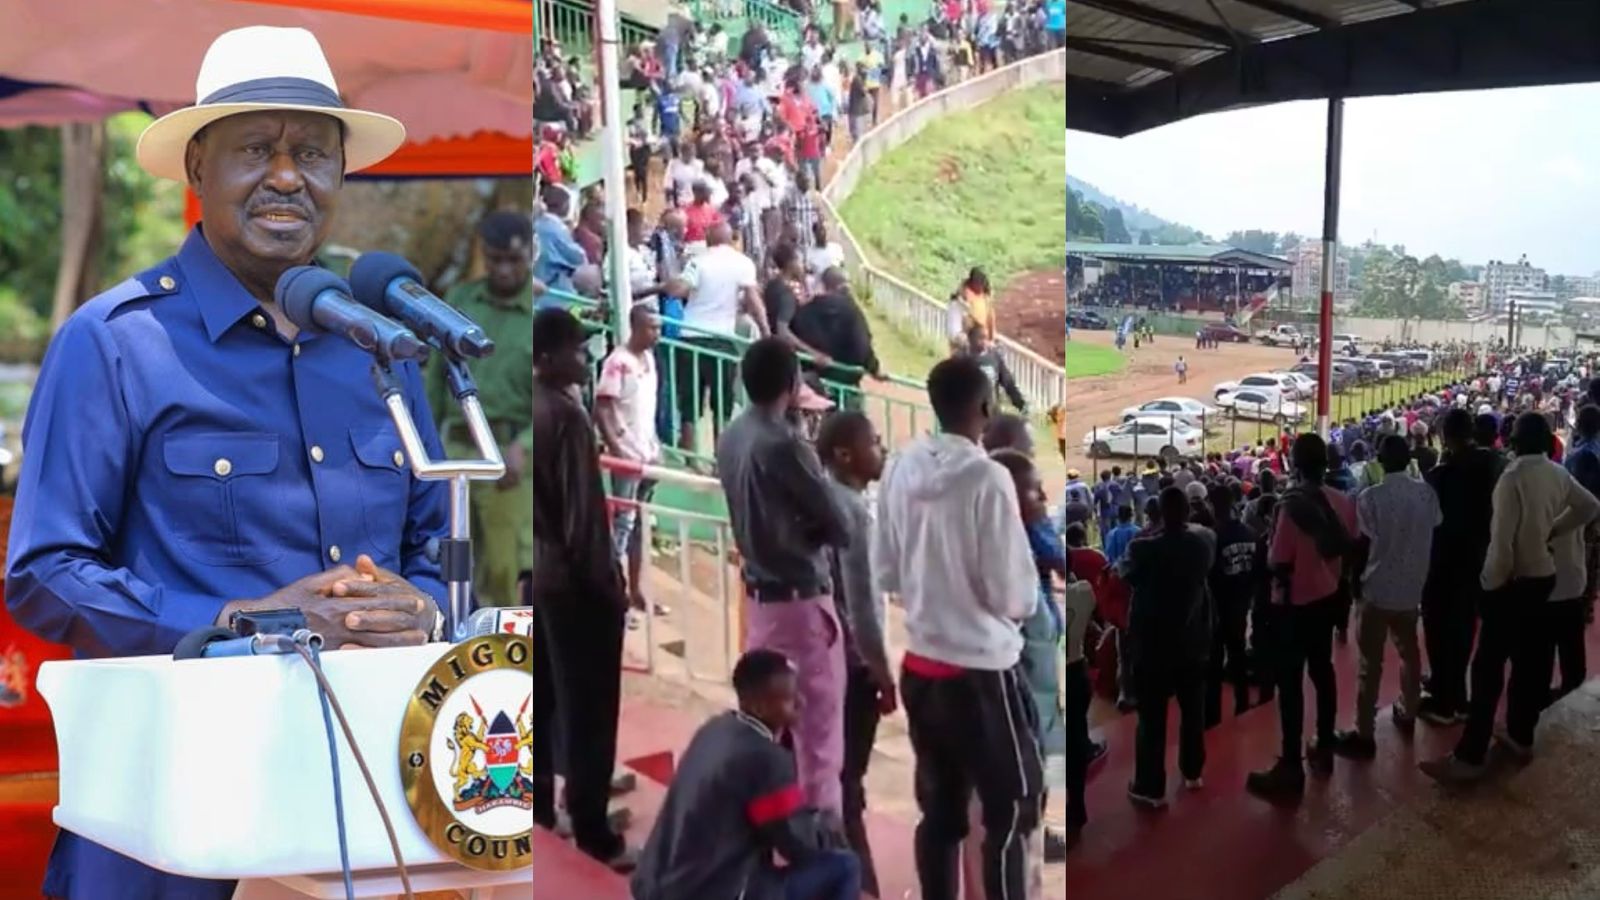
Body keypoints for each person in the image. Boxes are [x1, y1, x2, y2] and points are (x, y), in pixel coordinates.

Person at [3, 26, 445, 898]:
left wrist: (418, 607)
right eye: (257, 149)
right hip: (169, 832)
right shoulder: (116, 344)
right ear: (198, 169)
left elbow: (429, 553)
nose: (288, 176)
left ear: (341, 176)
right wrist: (245, 624)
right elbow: (43, 573)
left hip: (358, 824)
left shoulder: (384, 352)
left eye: (314, 153)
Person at [875, 356, 1042, 900]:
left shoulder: (900, 466)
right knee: (1013, 811)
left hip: (922, 666)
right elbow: (1014, 595)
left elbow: (885, 569)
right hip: (982, 674)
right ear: (986, 411)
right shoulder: (988, 477)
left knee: (941, 814)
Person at [1422, 412, 1599, 783]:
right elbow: (1589, 507)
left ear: (1514, 441)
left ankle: (1470, 757)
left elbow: (1501, 546)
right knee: (1530, 662)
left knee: (1487, 670)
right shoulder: (1557, 472)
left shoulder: (1512, 478)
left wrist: (1488, 586)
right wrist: (1552, 529)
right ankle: (1520, 735)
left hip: (1512, 582)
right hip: (1544, 579)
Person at [717, 338, 852, 815]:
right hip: (800, 603)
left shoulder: (731, 435)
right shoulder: (785, 444)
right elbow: (841, 526)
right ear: (793, 385)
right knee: (817, 739)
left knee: (769, 732)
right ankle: (818, 853)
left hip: (761, 602)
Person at [529, 308, 636, 869]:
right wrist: (611, 593)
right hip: (575, 586)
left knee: (543, 699)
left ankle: (543, 808)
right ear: (546, 357)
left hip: (535, 576)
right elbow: (584, 524)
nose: (584, 357)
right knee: (591, 707)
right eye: (575, 348)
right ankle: (595, 832)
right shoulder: (567, 417)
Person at [631, 650, 861, 900]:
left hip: (654, 884)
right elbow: (798, 845)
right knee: (845, 866)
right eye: (789, 698)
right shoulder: (766, 759)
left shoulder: (715, 728)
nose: (801, 702)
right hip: (708, 891)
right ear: (759, 706)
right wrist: (826, 826)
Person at [425, 212, 535, 609]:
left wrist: (526, 445)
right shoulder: (460, 303)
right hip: (454, 454)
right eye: (495, 259)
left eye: (513, 259)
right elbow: (434, 381)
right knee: (447, 567)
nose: (503, 269)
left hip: (508, 462)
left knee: (503, 574)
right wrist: (427, 447)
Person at [1246, 434, 1356, 801]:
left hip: (1293, 607)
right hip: (1329, 600)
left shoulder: (1289, 506)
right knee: (1322, 671)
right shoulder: (1342, 500)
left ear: (1294, 464)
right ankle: (1324, 745)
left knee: (1290, 685)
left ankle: (1291, 766)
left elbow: (1278, 560)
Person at [816, 411, 893, 897]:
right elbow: (861, 604)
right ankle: (859, 884)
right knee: (848, 783)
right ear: (844, 454)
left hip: (826, 657)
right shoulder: (852, 512)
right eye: (875, 442)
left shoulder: (823, 498)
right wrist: (882, 671)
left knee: (836, 777)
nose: (882, 450)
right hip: (852, 663)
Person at [1332, 435, 1439, 760]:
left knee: (1371, 664)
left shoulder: (1370, 497)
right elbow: (1434, 528)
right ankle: (1408, 711)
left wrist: (1354, 584)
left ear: (1380, 460)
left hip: (1377, 590)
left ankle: (1364, 734)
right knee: (1410, 653)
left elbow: (1362, 545)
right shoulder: (1426, 493)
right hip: (1411, 589)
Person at [1121, 487, 1215, 807]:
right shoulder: (1204, 542)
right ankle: (1193, 771)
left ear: (1158, 514)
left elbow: (1126, 575)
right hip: (1192, 641)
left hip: (1154, 645)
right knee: (1193, 710)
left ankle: (1150, 786)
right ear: (1188, 512)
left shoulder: (1142, 548)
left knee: (1151, 718)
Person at [595, 304, 665, 619]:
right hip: (627, 457)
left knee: (640, 526)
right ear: (636, 328)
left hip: (647, 453)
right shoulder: (617, 362)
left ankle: (635, 591)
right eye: (652, 327)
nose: (657, 334)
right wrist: (617, 447)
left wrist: (654, 445)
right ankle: (615, 598)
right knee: (622, 528)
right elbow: (603, 407)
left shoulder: (648, 360)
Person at [676, 223, 769, 455]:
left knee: (689, 400)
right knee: (722, 402)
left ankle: (689, 455)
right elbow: (754, 300)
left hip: (690, 335)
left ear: (709, 238)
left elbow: (681, 289)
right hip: (721, 338)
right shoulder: (743, 263)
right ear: (730, 239)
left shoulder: (698, 261)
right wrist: (766, 332)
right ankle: (720, 457)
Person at [1205, 481, 1258, 728]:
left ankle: (1213, 716)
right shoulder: (1249, 533)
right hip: (1241, 604)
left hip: (1217, 609)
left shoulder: (1212, 537)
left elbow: (1208, 576)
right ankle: (1243, 703)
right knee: (1237, 656)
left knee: (1214, 664)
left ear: (1212, 505)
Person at [966, 325, 1027, 414]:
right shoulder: (963, 360)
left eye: (986, 338)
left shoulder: (994, 358)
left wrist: (1020, 404)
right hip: (972, 413)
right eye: (980, 338)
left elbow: (1008, 382)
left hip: (992, 411)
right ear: (970, 340)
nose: (984, 342)